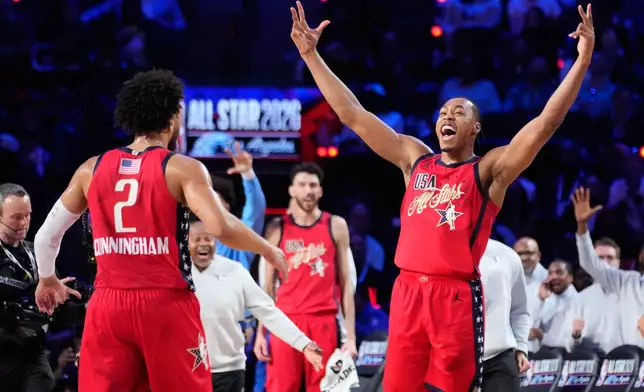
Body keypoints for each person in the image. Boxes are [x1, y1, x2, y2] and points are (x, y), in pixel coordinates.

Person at [287, 1, 594, 390]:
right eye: (443, 112)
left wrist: (581, 63)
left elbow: (545, 124)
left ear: (475, 128)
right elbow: (353, 114)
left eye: (459, 112)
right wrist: (312, 56)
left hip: (454, 299)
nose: (447, 116)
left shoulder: (487, 171)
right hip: (407, 291)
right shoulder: (414, 159)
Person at [31, 69, 289, 392]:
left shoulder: (90, 169)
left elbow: (45, 237)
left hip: (108, 303)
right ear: (172, 117)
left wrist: (46, 279)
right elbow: (221, 226)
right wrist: (267, 248)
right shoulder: (181, 167)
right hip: (165, 304)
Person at [189, 216, 323, 392]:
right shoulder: (174, 274)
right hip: (186, 371)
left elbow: (268, 311)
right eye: (197, 239)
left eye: (208, 238)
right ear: (185, 241)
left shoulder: (235, 271)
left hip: (229, 372)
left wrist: (303, 344)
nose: (203, 243)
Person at [254, 163, 357, 392]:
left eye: (313, 185)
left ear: (320, 191)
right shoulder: (276, 229)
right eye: (302, 185)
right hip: (285, 323)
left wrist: (350, 337)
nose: (308, 190)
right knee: (280, 387)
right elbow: (268, 288)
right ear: (292, 190)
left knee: (324, 389)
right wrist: (261, 333)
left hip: (324, 322)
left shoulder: (336, 225)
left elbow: (346, 285)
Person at [572, 187, 644, 347]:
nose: (605, 261)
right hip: (629, 362)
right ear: (640, 256)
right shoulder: (626, 282)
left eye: (610, 257)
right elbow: (590, 263)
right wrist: (582, 225)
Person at [0, 183, 55, 391]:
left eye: (28, 215)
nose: (24, 223)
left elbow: (55, 306)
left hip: (31, 353)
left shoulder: (39, 253)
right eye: (16, 217)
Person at [479, 239, 531, 392]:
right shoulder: (441, 253)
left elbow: (519, 309)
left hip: (499, 356)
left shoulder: (508, 256)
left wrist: (521, 346)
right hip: (454, 357)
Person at [213, 141, 267, 271]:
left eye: (214, 201)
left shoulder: (237, 240)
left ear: (226, 207)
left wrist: (248, 174)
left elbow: (255, 211)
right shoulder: (185, 236)